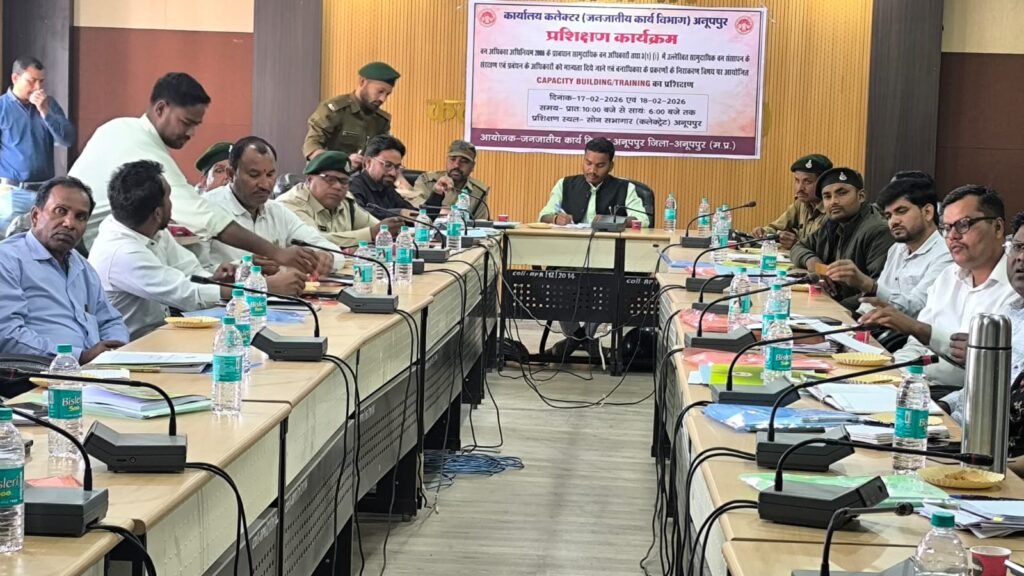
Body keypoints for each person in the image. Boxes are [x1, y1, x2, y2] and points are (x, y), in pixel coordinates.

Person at [70, 72, 318, 273]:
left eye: (196, 125)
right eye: (186, 123)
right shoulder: (137, 142)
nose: (191, 134)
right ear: (160, 109)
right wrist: (276, 253)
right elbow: (202, 217)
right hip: (83, 250)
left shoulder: (119, 128)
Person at [88, 160, 307, 340]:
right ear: (157, 213)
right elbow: (186, 294)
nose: (172, 204)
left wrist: (223, 275)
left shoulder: (150, 229)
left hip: (164, 334)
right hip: (132, 349)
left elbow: (190, 271)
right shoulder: (122, 252)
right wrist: (264, 288)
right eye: (169, 198)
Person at [861, 185, 1017, 392]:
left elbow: (996, 369)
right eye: (946, 228)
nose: (952, 236)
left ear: (997, 228)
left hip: (962, 398)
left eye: (963, 225)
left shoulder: (1016, 288)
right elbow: (916, 346)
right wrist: (892, 376)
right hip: (917, 388)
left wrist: (920, 330)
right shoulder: (948, 277)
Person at [0, 177, 128, 362]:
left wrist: (114, 350)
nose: (70, 223)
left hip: (96, 369)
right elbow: (7, 334)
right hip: (40, 372)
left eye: (80, 217)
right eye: (61, 211)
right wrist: (79, 357)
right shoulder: (7, 260)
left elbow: (110, 320)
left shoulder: (82, 266)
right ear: (35, 216)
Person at [942, 211, 1024, 445]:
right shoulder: (1011, 312)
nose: (1020, 258)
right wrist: (944, 405)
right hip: (959, 432)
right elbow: (981, 387)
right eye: (1018, 247)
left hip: (991, 450)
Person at [202, 136, 343, 272]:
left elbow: (332, 251)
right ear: (231, 174)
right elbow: (194, 273)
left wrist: (326, 257)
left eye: (270, 175)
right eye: (254, 175)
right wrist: (243, 268)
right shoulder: (205, 209)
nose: (264, 184)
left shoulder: (277, 212)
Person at [824, 174, 951, 319]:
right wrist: (853, 319)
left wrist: (868, 285)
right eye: (888, 216)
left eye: (901, 211)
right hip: (873, 326)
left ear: (927, 212)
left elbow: (917, 309)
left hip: (903, 332)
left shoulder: (945, 255)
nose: (893, 222)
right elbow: (872, 302)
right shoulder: (897, 249)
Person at [788, 167, 895, 310]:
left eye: (842, 193)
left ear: (861, 196)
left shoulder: (877, 230)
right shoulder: (832, 223)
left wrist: (834, 308)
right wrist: (813, 263)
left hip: (858, 314)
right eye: (827, 196)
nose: (834, 201)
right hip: (833, 303)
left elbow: (879, 291)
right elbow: (799, 247)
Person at [0, 56, 76, 235]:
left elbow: (67, 140)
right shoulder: (2, 107)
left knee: (42, 241)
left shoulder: (49, 104)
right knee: (7, 244)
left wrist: (44, 111)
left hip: (45, 192)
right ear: (15, 78)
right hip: (12, 192)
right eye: (31, 81)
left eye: (41, 81)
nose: (37, 87)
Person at [278, 151, 403, 248]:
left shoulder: (345, 202)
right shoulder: (290, 204)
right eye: (330, 179)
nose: (338, 186)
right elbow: (312, 242)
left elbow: (378, 228)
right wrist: (370, 234)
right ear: (309, 180)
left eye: (344, 181)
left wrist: (393, 229)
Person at [302, 62, 400, 172]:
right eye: (380, 91)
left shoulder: (381, 120)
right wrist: (341, 162)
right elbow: (311, 147)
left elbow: (384, 153)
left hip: (364, 179)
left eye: (387, 94)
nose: (382, 99)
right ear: (362, 82)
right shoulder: (335, 110)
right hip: (331, 176)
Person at [538, 137, 650, 227]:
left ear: (611, 166)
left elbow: (643, 220)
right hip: (571, 244)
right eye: (588, 163)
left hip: (609, 245)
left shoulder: (625, 188)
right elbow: (543, 216)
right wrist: (556, 219)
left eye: (600, 166)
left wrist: (612, 220)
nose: (592, 170)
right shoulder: (564, 184)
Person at [349, 135, 444, 221]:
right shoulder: (352, 186)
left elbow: (419, 217)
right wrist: (398, 214)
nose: (393, 173)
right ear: (368, 162)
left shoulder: (387, 189)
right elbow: (357, 215)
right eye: (387, 165)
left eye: (397, 167)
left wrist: (437, 193)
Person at [752, 154, 832, 249]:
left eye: (807, 182)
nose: (799, 188)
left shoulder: (833, 210)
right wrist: (763, 232)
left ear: (823, 183)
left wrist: (797, 245)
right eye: (797, 181)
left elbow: (828, 251)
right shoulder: (801, 204)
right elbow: (776, 227)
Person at [407, 140, 491, 220]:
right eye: (452, 159)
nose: (456, 165)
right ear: (446, 160)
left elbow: (481, 224)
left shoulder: (479, 192)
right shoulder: (427, 180)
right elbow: (413, 205)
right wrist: (441, 211)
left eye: (464, 161)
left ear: (472, 166)